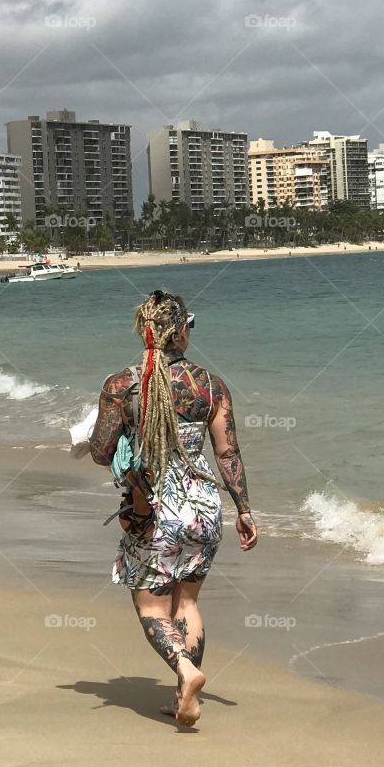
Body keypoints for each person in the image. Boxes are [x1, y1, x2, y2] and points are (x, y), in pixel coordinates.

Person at [90, 289, 257, 727]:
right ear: (181, 330)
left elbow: (101, 451)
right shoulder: (211, 386)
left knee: (151, 608)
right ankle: (184, 695)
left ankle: (186, 671)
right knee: (187, 604)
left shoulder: (121, 386)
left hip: (155, 507)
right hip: (203, 505)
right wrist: (244, 510)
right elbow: (228, 454)